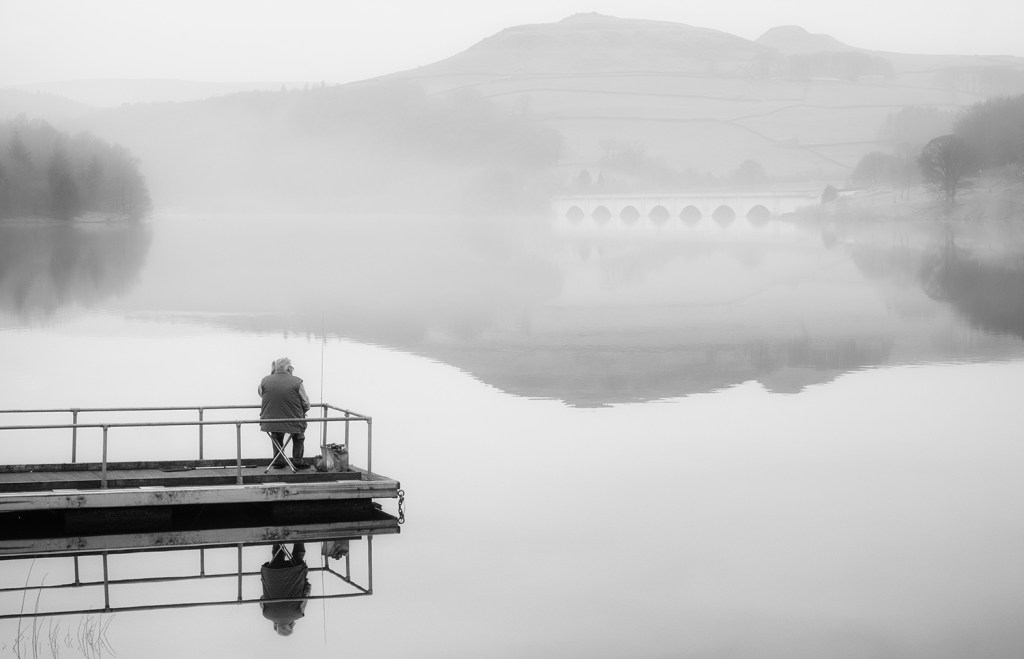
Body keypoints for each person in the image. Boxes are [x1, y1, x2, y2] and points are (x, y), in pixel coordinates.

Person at [258, 357, 311, 469]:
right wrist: (303, 411)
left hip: (270, 422)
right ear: (289, 368)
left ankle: (278, 461)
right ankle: (297, 461)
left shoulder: (265, 380)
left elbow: (261, 393)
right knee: (298, 435)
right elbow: (306, 404)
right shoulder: (297, 381)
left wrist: (272, 373)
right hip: (294, 422)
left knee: (276, 435)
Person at [260, 543, 311, 637]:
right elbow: (262, 598)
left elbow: (306, 593)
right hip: (271, 572)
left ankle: (299, 537)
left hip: (294, 570)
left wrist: (306, 583)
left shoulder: (298, 614)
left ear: (290, 626)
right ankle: (278, 539)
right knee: (277, 557)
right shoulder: (266, 614)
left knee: (298, 558)